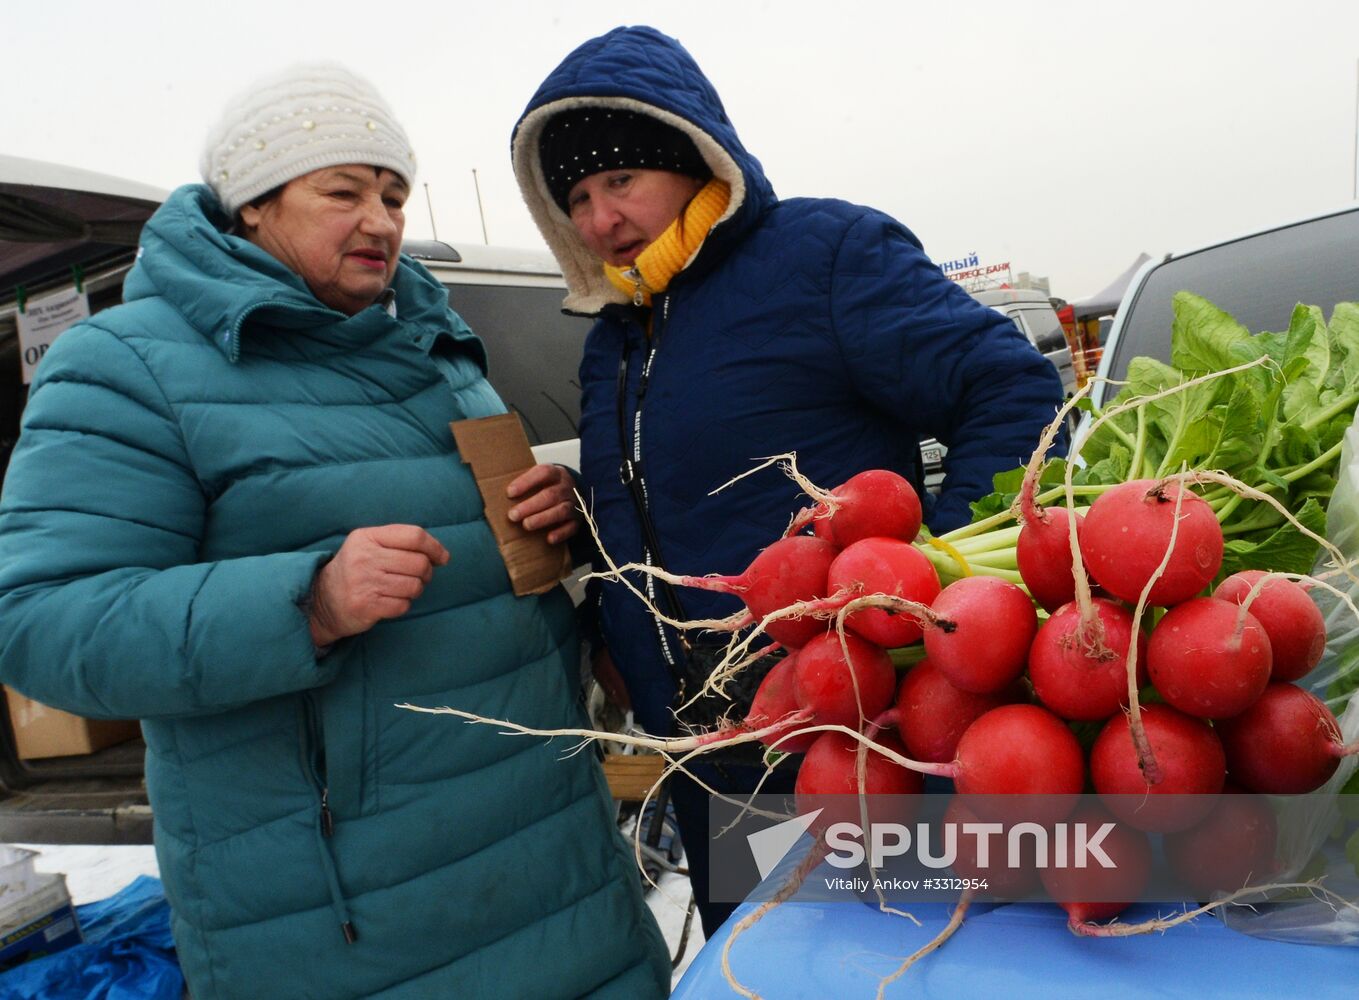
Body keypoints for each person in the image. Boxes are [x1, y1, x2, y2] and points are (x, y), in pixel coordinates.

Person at [0, 64, 669, 1000]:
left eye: (393, 195)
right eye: (343, 192)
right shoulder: (124, 366)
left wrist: (558, 512)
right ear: (252, 204)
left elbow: (488, 553)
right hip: (351, 914)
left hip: (555, 856)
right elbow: (40, 622)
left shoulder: (436, 348)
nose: (381, 221)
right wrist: (305, 603)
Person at [510, 25, 1067, 936]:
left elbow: (1011, 392)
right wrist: (590, 537)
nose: (600, 219)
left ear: (693, 159)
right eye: (576, 196)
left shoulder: (820, 254)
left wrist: (946, 591)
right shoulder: (614, 337)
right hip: (711, 751)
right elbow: (666, 496)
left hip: (850, 733)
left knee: (887, 954)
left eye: (621, 180)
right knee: (761, 958)